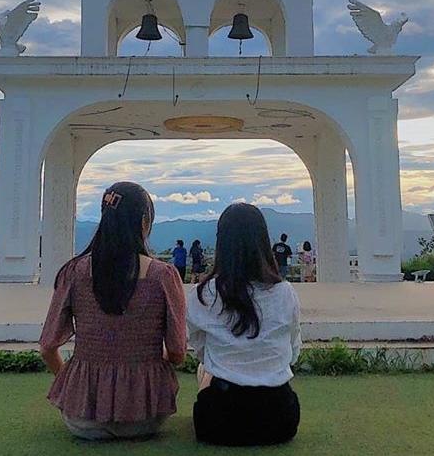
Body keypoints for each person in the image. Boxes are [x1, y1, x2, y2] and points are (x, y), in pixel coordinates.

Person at [39, 182, 187, 441]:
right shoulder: (163, 276)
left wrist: (73, 385)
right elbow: (177, 352)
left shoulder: (74, 272)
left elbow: (47, 347)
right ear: (144, 221)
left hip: (83, 420)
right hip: (146, 416)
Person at [186, 203, 302, 446]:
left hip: (218, 421)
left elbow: (202, 351)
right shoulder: (285, 293)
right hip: (280, 418)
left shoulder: (203, 294)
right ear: (263, 241)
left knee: (204, 370)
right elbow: (292, 352)